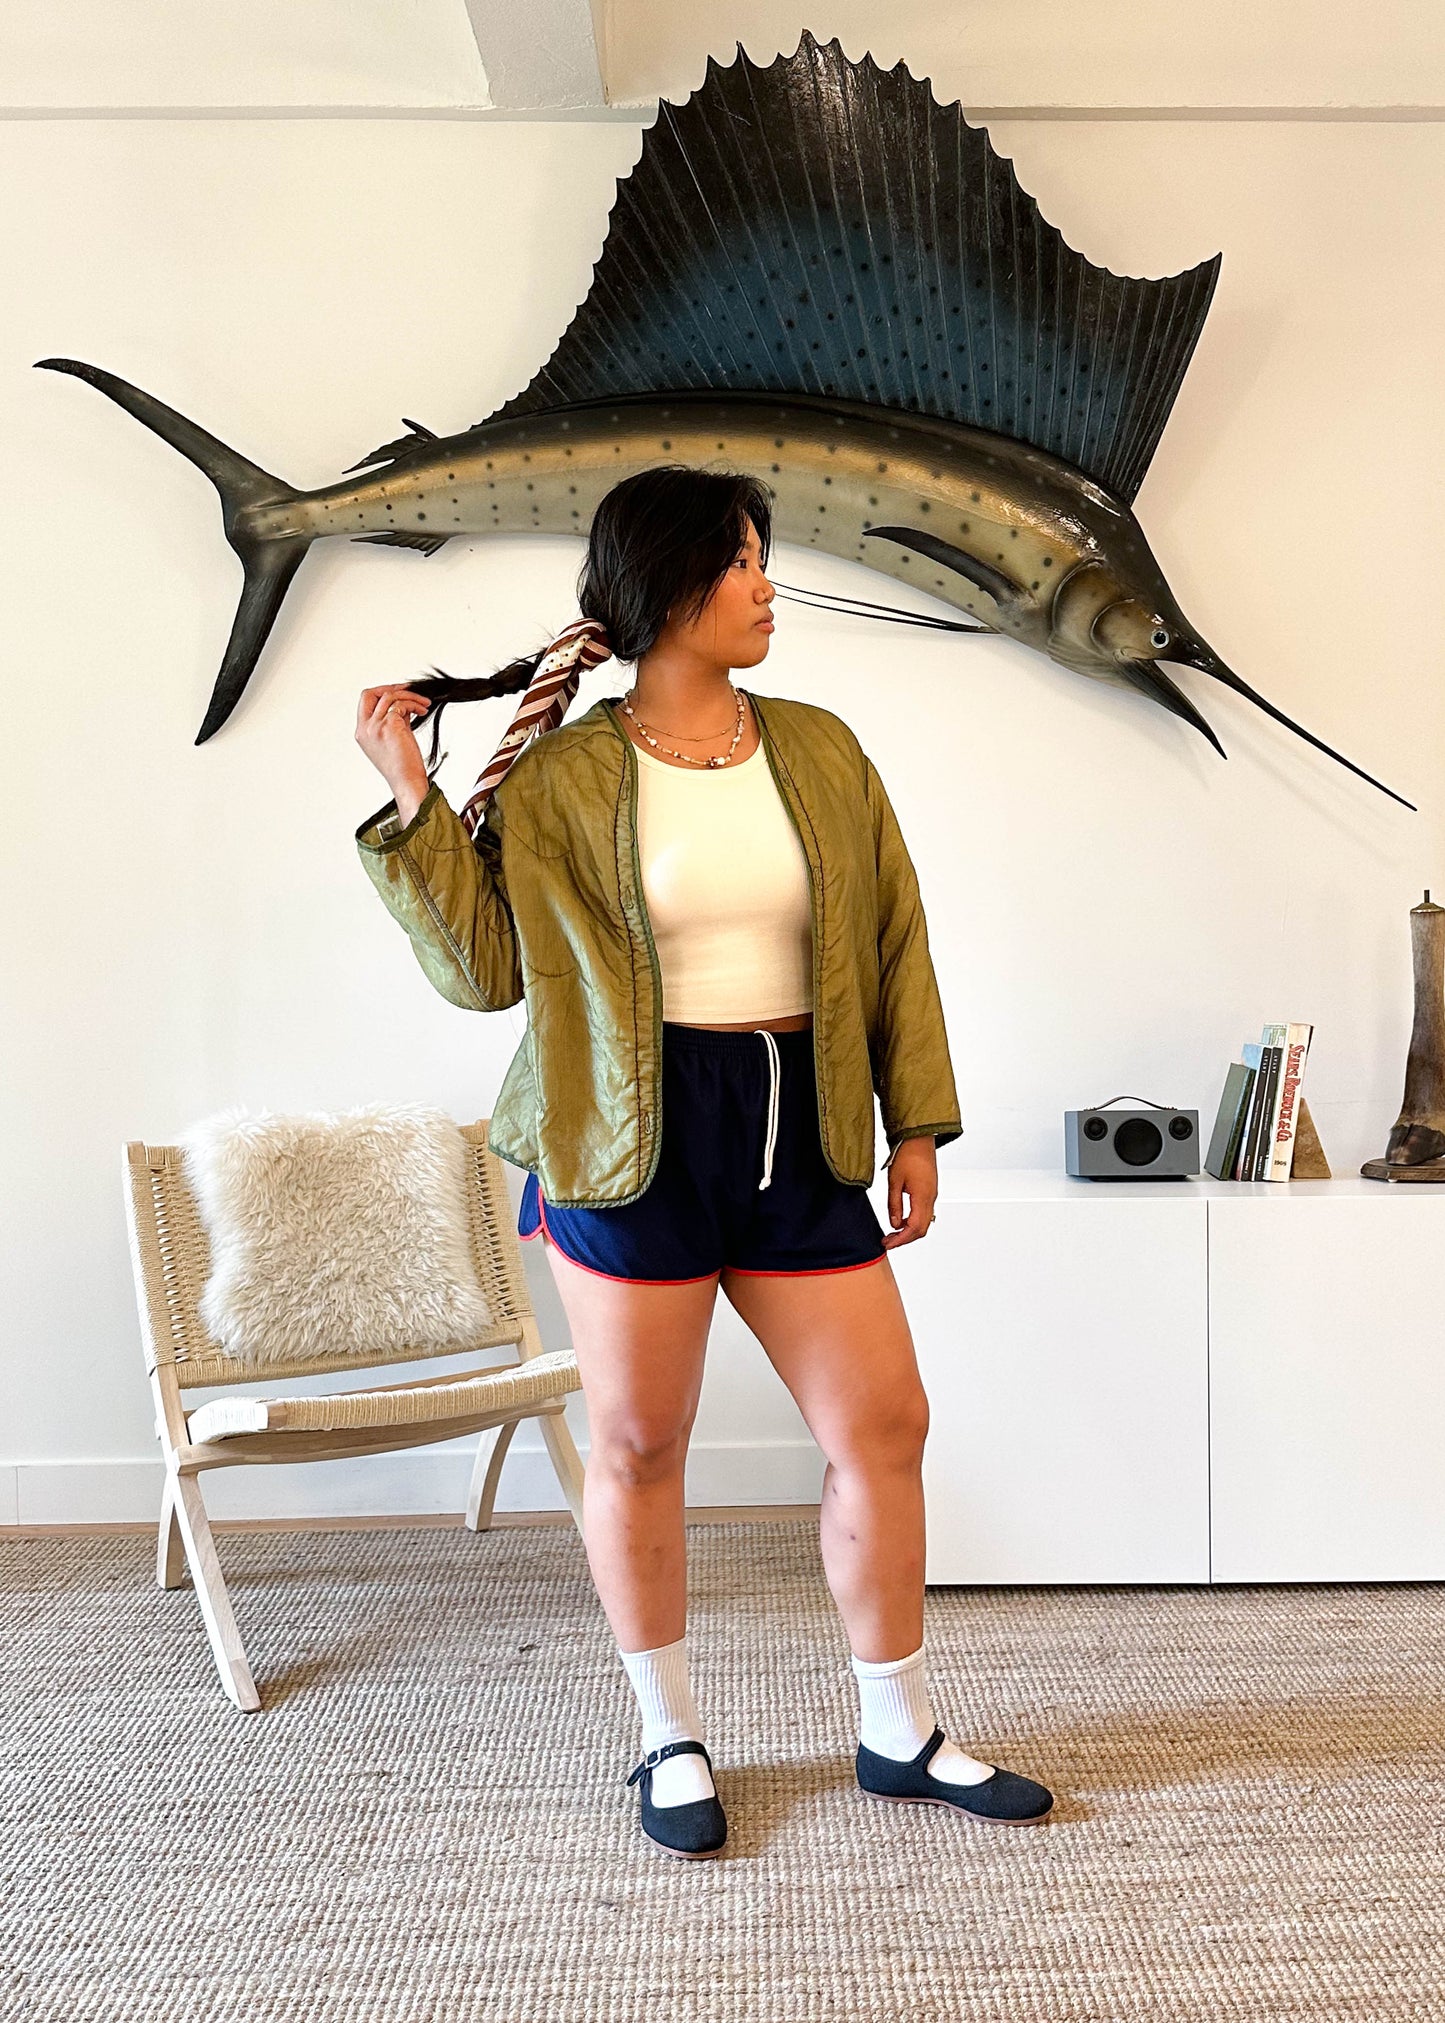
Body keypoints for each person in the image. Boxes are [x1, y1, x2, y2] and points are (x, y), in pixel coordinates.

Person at [354, 466, 1054, 1858]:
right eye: (741, 562)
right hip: (625, 1129)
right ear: (670, 583)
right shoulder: (560, 775)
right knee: (638, 1443)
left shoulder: (821, 750)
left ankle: (897, 1727)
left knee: (883, 1426)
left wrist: (916, 1121)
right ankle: (668, 1734)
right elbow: (485, 976)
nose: (766, 585)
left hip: (801, 1119)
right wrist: (412, 796)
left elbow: (894, 943)